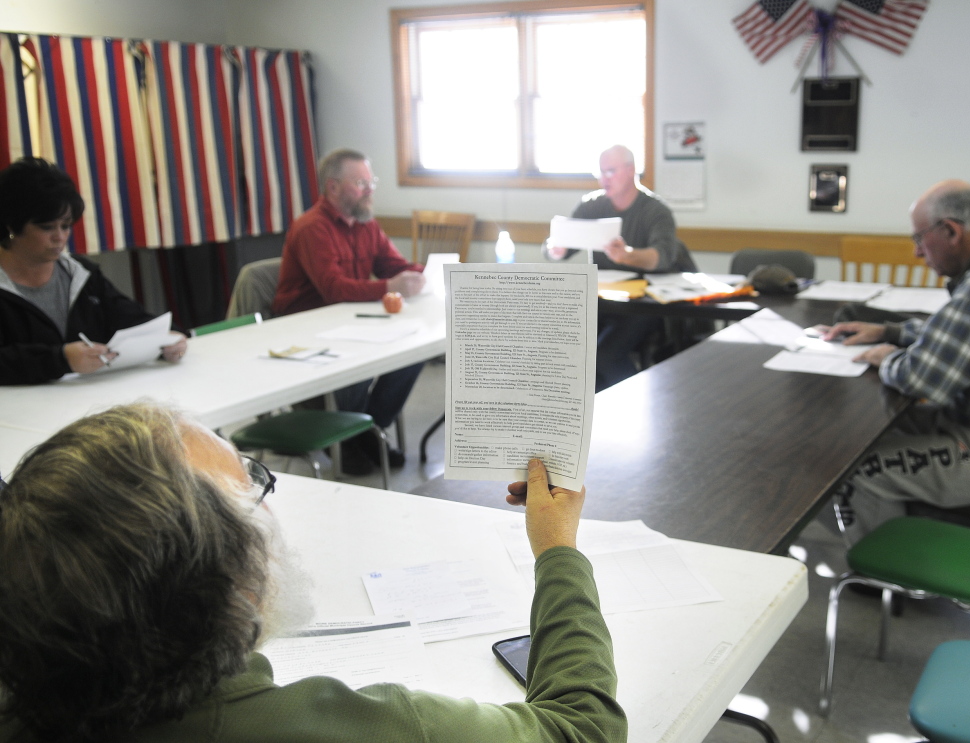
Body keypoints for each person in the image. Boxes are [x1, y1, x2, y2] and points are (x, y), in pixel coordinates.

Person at [0, 402, 626, 743]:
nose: (269, 506)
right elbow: (583, 731)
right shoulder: (347, 727)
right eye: (254, 487)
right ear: (227, 586)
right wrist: (557, 551)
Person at [822, 179, 970, 543]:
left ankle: (879, 583)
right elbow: (961, 335)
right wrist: (889, 332)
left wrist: (888, 356)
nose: (918, 253)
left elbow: (922, 377)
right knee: (877, 434)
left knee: (854, 467)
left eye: (919, 239)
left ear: (950, 231)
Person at [272, 148, 426, 473]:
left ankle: (363, 432)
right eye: (360, 183)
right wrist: (388, 286)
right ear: (333, 187)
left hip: (348, 322)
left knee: (413, 352)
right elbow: (334, 288)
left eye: (371, 182)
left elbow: (394, 266)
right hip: (305, 331)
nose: (370, 190)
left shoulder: (366, 224)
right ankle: (354, 438)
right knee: (357, 364)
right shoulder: (312, 228)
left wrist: (432, 273)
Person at [0, 158, 187, 385]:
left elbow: (129, 318)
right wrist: (61, 359)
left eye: (66, 226)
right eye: (46, 227)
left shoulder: (80, 273)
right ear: (11, 225)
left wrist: (167, 339)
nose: (60, 237)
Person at [543, 145, 697, 390]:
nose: (605, 178)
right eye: (601, 172)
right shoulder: (591, 206)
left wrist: (628, 256)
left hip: (643, 305)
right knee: (564, 355)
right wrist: (556, 250)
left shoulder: (656, 211)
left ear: (631, 170)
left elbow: (662, 257)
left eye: (611, 171)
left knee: (604, 357)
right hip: (601, 301)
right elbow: (561, 243)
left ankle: (640, 404)